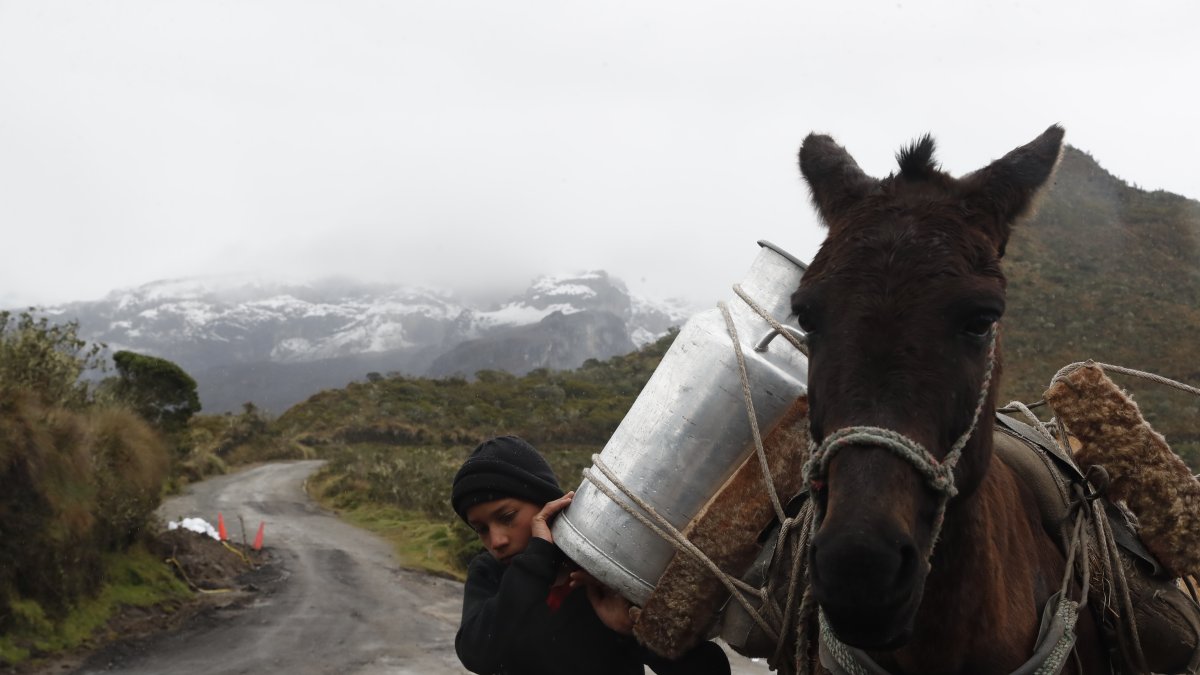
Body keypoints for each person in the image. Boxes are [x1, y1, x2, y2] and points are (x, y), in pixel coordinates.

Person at [451, 435, 732, 675]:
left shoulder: (604, 569)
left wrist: (635, 632)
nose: (496, 540)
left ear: (547, 503)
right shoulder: (490, 573)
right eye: (481, 529)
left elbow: (710, 669)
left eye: (507, 516)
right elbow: (477, 653)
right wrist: (536, 562)